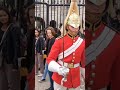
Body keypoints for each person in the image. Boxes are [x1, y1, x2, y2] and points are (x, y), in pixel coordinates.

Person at [47, 0, 85, 90]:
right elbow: (50, 59)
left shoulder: (82, 42)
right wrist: (58, 68)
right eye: (73, 26)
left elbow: (83, 63)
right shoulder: (59, 41)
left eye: (77, 27)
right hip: (61, 76)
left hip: (75, 77)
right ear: (67, 26)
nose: (75, 30)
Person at [85, 0, 120, 90]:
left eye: (101, 4)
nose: (96, 9)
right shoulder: (68, 34)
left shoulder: (114, 38)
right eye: (90, 3)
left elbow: (116, 80)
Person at [0, 6, 20, 90]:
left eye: (4, 15)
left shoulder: (13, 28)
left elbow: (16, 46)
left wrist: (15, 63)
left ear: (8, 15)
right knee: (2, 84)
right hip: (1, 60)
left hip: (10, 61)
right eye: (0, 16)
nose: (3, 18)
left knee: (12, 85)